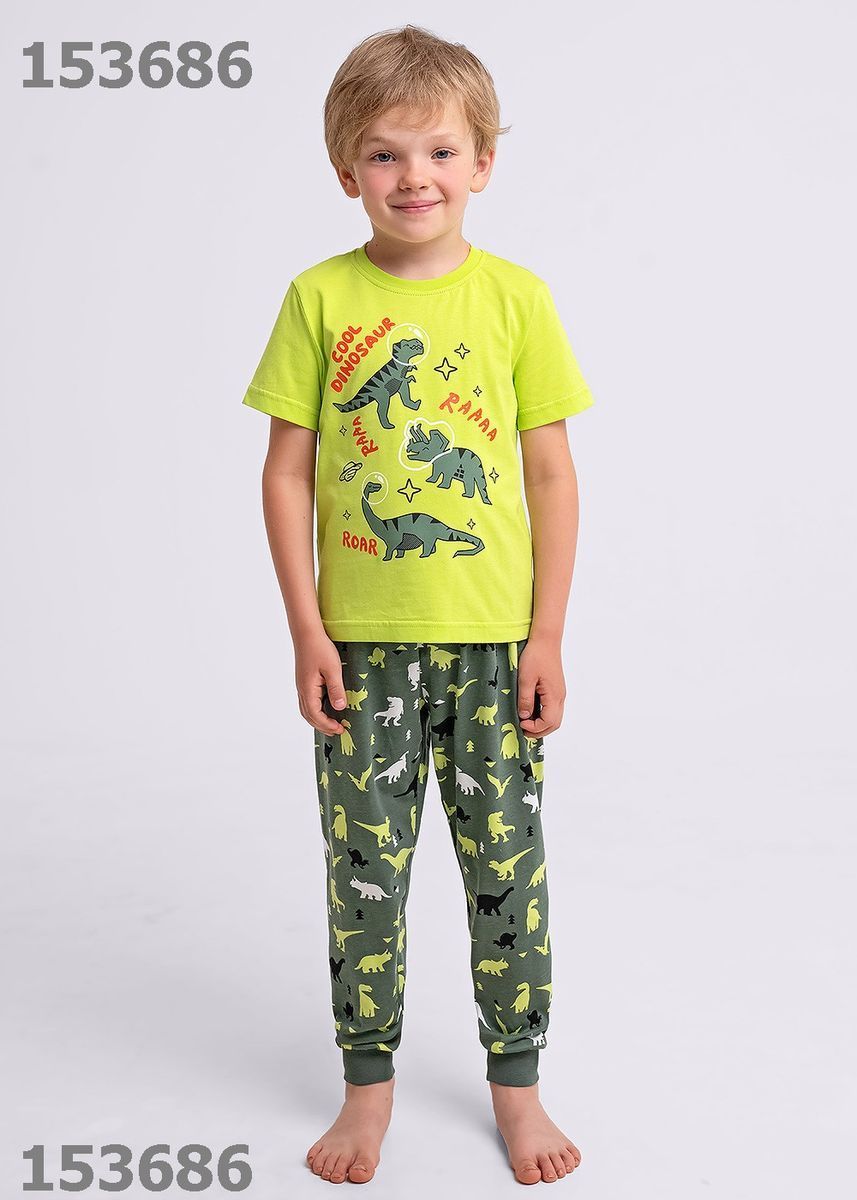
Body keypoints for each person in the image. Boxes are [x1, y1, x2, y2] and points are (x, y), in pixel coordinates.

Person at [241, 23, 594, 1187]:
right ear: (345, 169)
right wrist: (307, 629)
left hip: (493, 649)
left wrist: (546, 634)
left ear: (482, 161)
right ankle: (366, 1090)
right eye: (384, 154)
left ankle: (516, 1089)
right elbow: (286, 472)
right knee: (364, 881)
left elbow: (550, 475)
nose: (413, 178)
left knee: (507, 877)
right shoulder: (318, 298)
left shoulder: (516, 300)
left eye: (439, 151)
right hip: (363, 652)